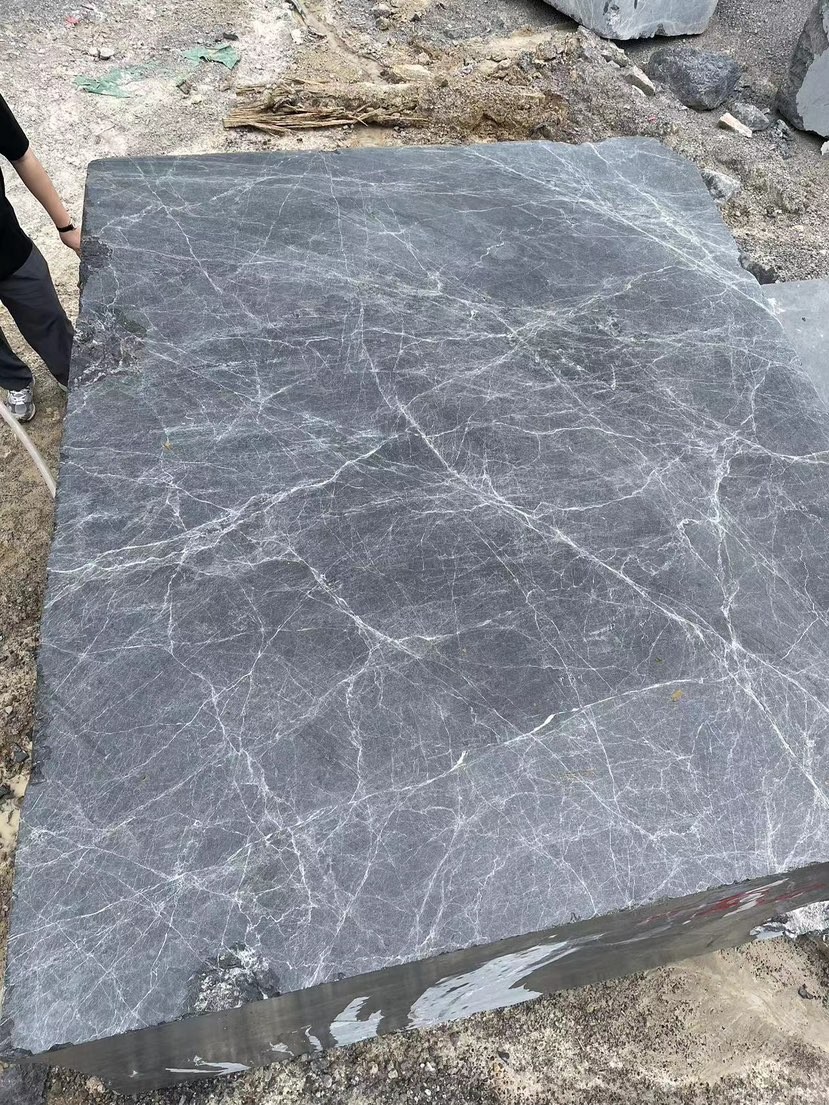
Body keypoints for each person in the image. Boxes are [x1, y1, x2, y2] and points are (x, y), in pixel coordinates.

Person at [0, 91, 79, 423]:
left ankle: (73, 373)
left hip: (7, 249)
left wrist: (66, 227)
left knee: (46, 315)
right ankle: (15, 380)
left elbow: (22, 157)